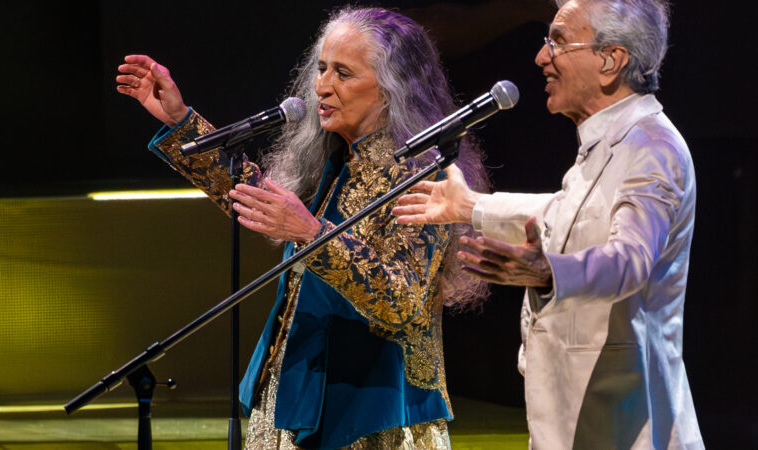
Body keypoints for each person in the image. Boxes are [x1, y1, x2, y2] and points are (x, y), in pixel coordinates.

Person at [116, 7, 489, 449]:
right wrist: (180, 123)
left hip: (374, 414)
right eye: (321, 68)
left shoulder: (422, 173)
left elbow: (402, 301)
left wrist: (314, 235)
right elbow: (257, 198)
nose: (322, 86)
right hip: (294, 387)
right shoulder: (337, 159)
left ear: (392, 88)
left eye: (344, 73)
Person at [393, 0, 704, 448]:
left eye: (558, 41)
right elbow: (565, 212)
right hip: (587, 421)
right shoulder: (609, 140)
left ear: (610, 60)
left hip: (624, 427)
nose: (541, 57)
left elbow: (630, 259)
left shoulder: (651, 148)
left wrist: (547, 272)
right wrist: (470, 206)